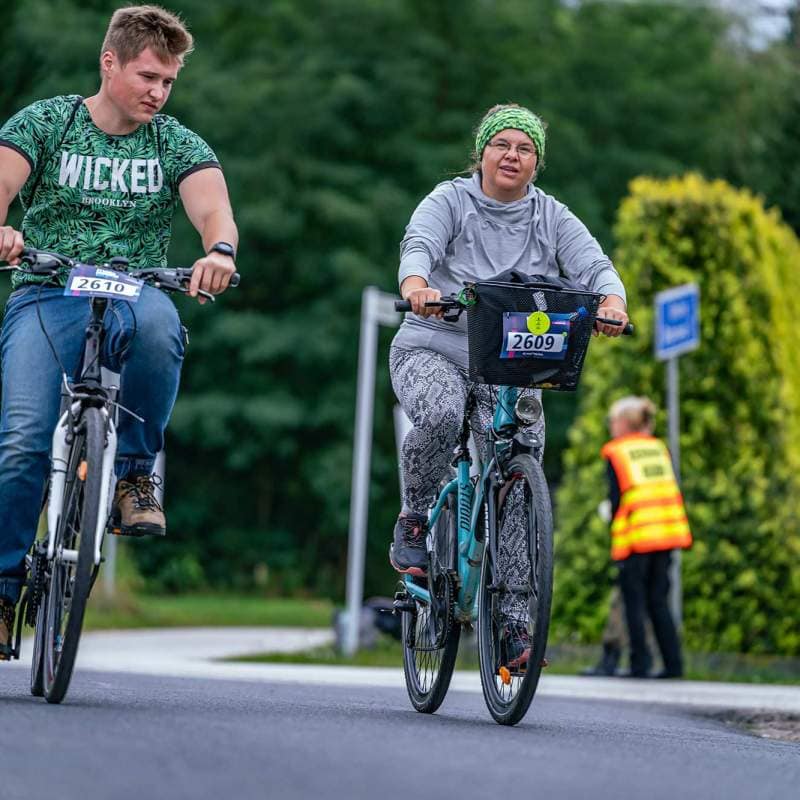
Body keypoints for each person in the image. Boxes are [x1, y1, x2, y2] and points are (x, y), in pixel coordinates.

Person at [0, 5, 237, 658]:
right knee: (22, 441)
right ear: (110, 63)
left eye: (168, 82)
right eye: (148, 77)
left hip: (136, 290)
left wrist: (219, 252)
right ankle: (3, 587)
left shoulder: (174, 143)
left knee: (163, 330)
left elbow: (213, 207)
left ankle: (134, 476)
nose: (159, 92)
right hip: (48, 291)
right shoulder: (48, 122)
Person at [388, 103, 629, 664]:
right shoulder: (450, 200)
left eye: (525, 149)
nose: (512, 156)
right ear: (482, 153)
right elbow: (419, 244)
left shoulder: (551, 216)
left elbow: (594, 266)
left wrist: (612, 301)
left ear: (536, 163)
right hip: (433, 347)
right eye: (502, 145)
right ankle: (415, 518)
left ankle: (514, 627)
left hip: (509, 365)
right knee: (443, 412)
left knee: (517, 479)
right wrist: (417, 285)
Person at [601, 396, 692, 678]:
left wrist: (612, 524)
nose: (611, 426)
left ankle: (639, 664)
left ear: (624, 423)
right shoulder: (658, 447)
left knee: (634, 602)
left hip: (638, 536)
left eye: (613, 420)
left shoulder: (617, 451)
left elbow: (616, 499)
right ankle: (673, 665)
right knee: (658, 601)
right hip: (666, 533)